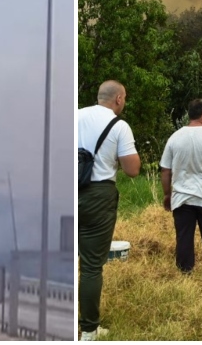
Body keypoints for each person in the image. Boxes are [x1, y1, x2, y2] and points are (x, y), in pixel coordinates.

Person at [77, 80, 140, 341]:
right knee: (91, 266)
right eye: (124, 98)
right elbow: (132, 169)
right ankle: (89, 331)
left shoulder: (74, 116)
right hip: (97, 196)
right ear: (118, 99)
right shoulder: (119, 126)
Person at [160, 99, 202, 278]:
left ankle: (185, 273)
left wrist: (168, 194)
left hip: (182, 198)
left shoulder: (174, 138)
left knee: (184, 237)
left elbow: (166, 170)